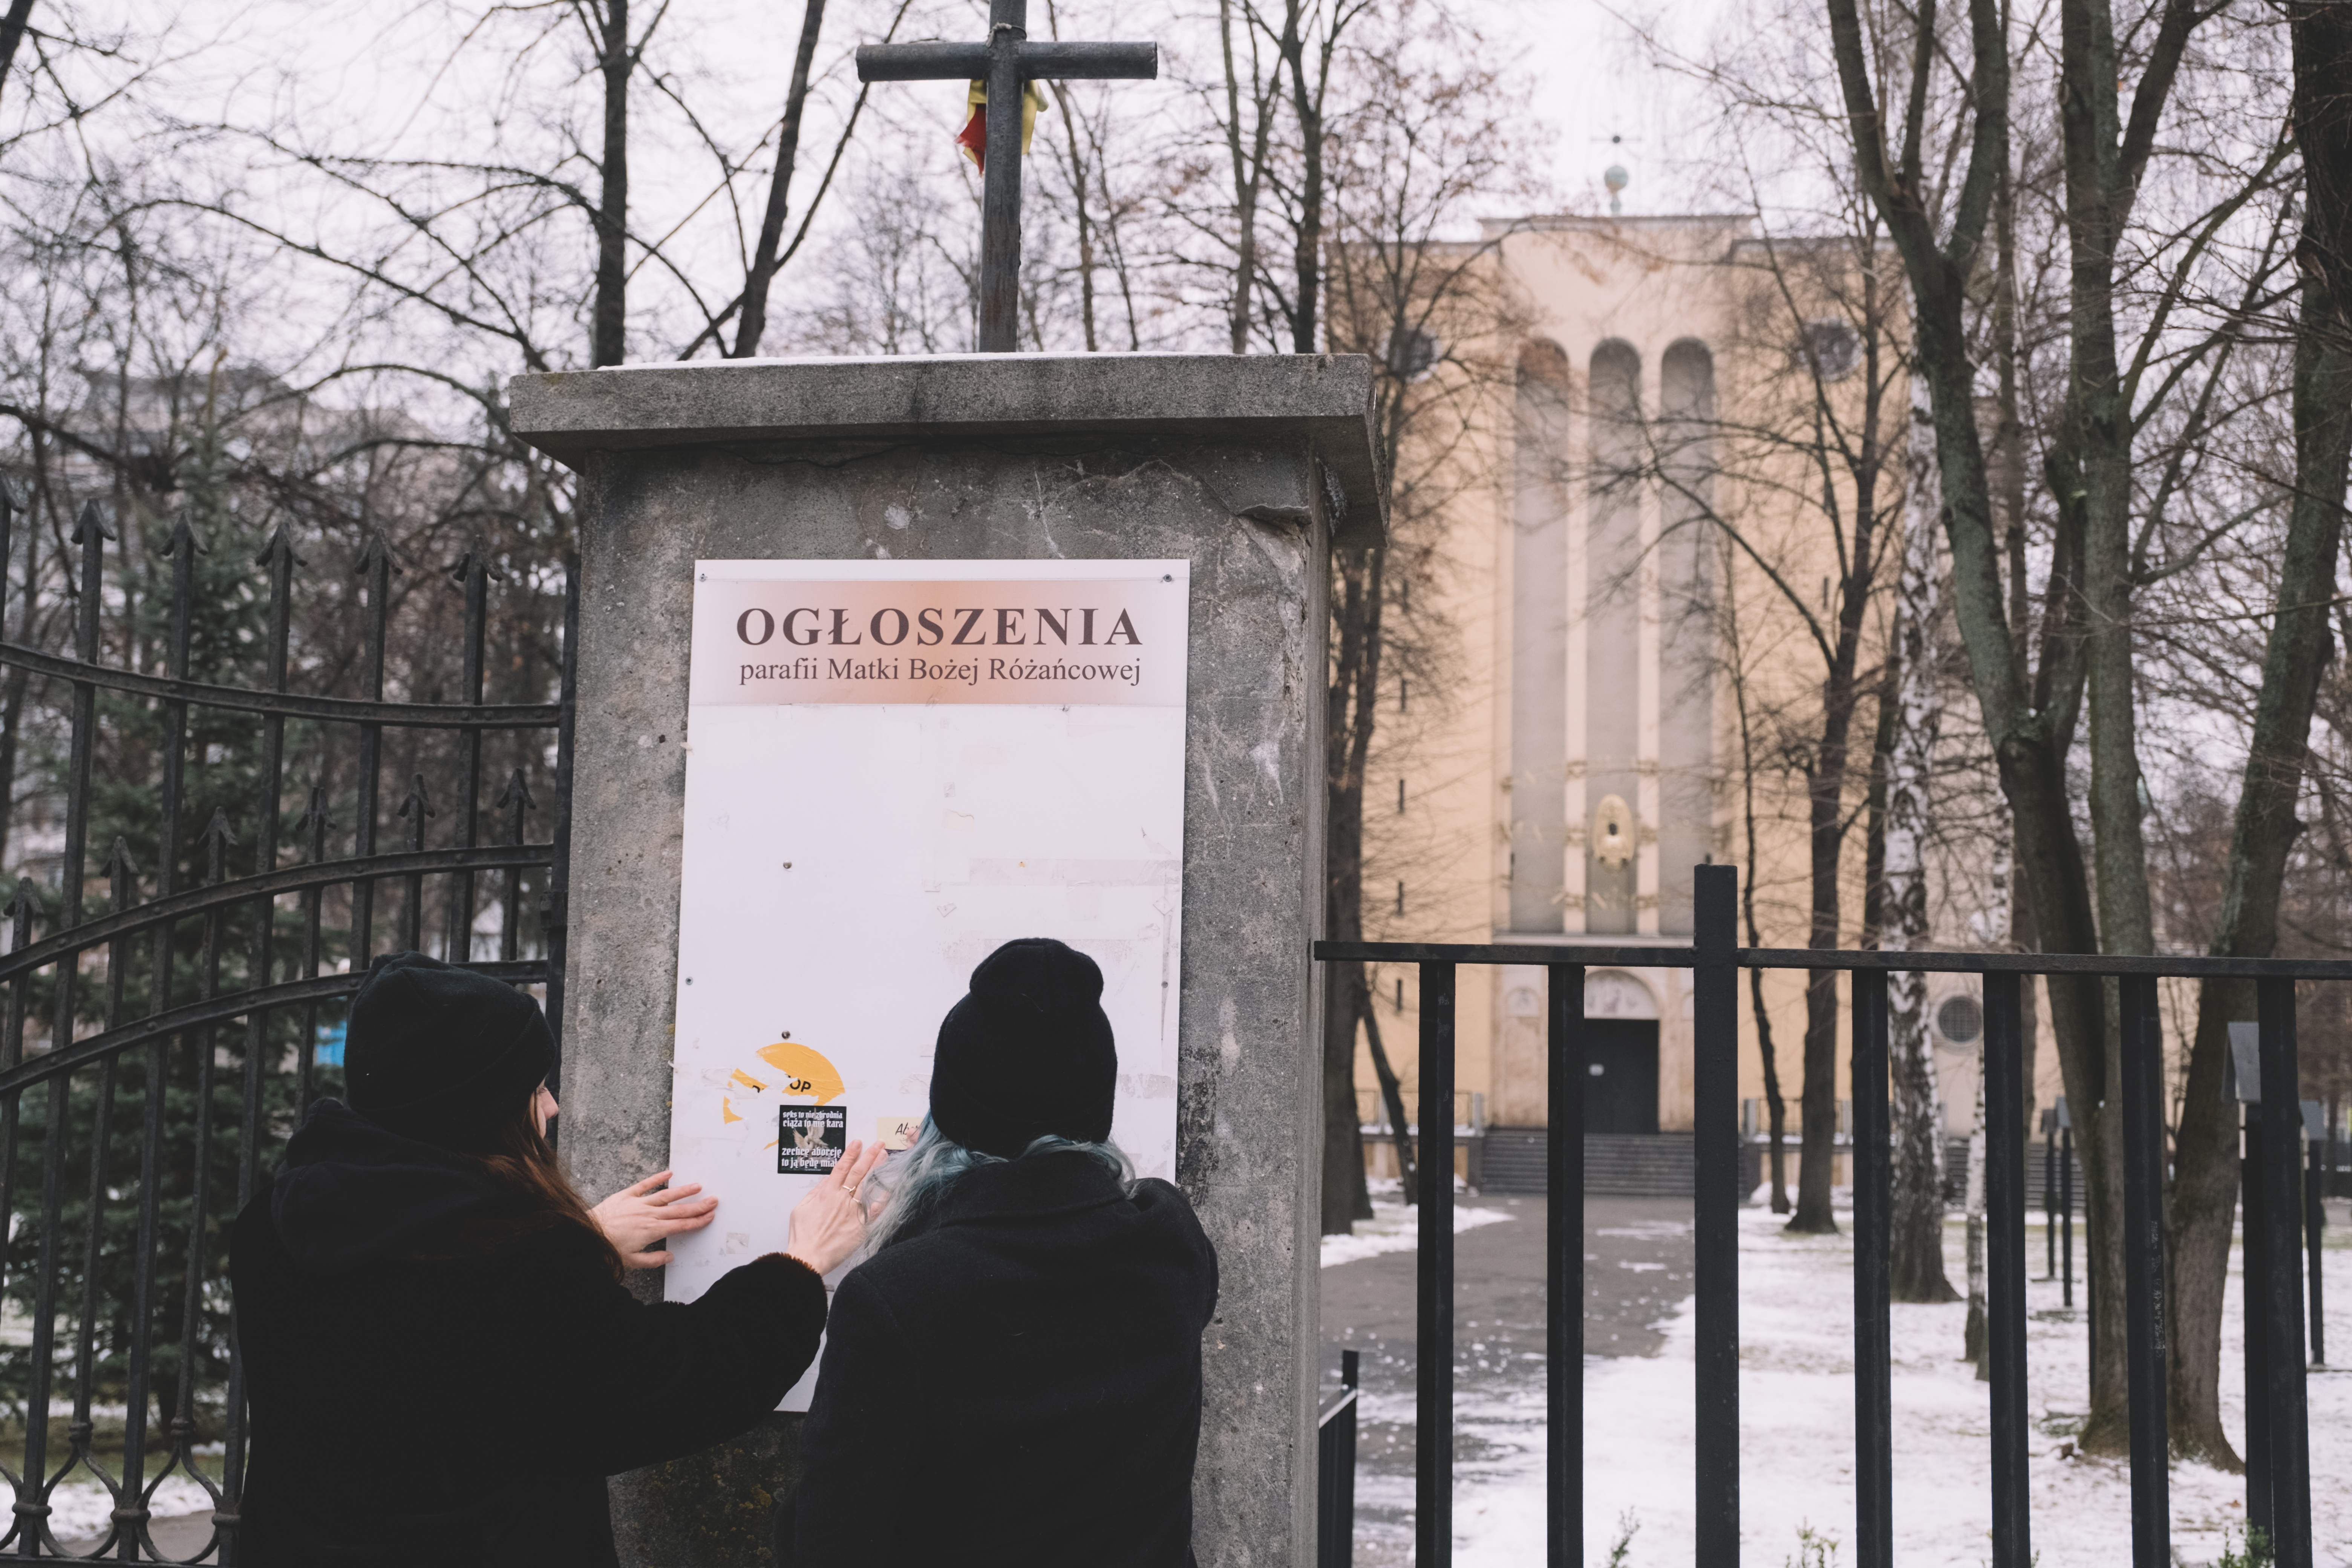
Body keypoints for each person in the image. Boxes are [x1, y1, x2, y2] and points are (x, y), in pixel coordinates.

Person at [230, 951, 886, 1568]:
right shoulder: (517, 1262)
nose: (552, 1105)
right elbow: (664, 1387)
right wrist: (799, 1267)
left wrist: (582, 1241)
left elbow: (427, 1337)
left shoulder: (273, 1226)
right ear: (477, 1108)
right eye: (535, 1087)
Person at [773, 937, 1219, 1568]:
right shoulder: (1171, 1242)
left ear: (947, 1111)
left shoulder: (895, 1300)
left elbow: (830, 1541)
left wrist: (907, 1234)